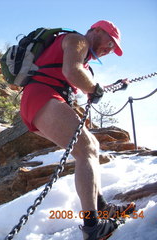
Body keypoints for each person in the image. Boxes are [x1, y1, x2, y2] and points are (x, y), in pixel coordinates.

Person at [20, 20, 135, 240]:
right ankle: (93, 228)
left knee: (87, 150)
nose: (110, 50)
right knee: (88, 148)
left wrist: (115, 85)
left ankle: (100, 208)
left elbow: (86, 84)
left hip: (36, 102)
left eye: (114, 48)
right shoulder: (78, 40)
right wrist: (93, 88)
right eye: (110, 42)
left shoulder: (82, 57)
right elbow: (71, 72)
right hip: (43, 97)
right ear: (96, 30)